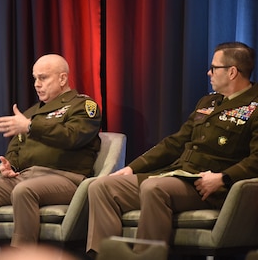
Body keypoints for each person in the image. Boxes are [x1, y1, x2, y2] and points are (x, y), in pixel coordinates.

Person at [86, 41, 258, 257]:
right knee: (101, 187)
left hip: (208, 186)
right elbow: (176, 143)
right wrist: (133, 167)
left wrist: (223, 178)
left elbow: (256, 159)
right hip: (178, 175)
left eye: (214, 68)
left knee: (155, 189)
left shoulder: (254, 106)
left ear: (232, 72)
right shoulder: (209, 102)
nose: (208, 73)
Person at [0, 54, 102, 260]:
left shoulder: (83, 106)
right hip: (26, 176)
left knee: (24, 190)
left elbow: (73, 137)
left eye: (43, 78)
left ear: (63, 79)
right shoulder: (31, 112)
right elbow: (16, 149)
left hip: (66, 178)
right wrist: (8, 165)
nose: (37, 84)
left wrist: (30, 126)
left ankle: (22, 255)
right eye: (35, 78)